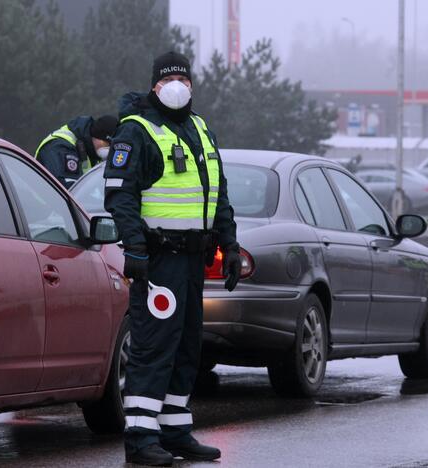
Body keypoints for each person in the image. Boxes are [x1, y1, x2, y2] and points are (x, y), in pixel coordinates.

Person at [104, 51, 240, 466]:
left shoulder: (200, 129)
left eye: (183, 77)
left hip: (193, 261)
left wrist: (230, 244)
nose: (177, 84)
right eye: (169, 78)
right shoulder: (137, 132)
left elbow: (218, 194)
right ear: (155, 85)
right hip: (158, 260)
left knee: (186, 346)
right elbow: (120, 196)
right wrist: (135, 249)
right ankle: (141, 437)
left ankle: (175, 430)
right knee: (153, 345)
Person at [35, 115, 118, 188]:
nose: (108, 149)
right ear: (97, 137)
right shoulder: (61, 148)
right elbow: (70, 190)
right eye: (107, 145)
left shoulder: (90, 152)